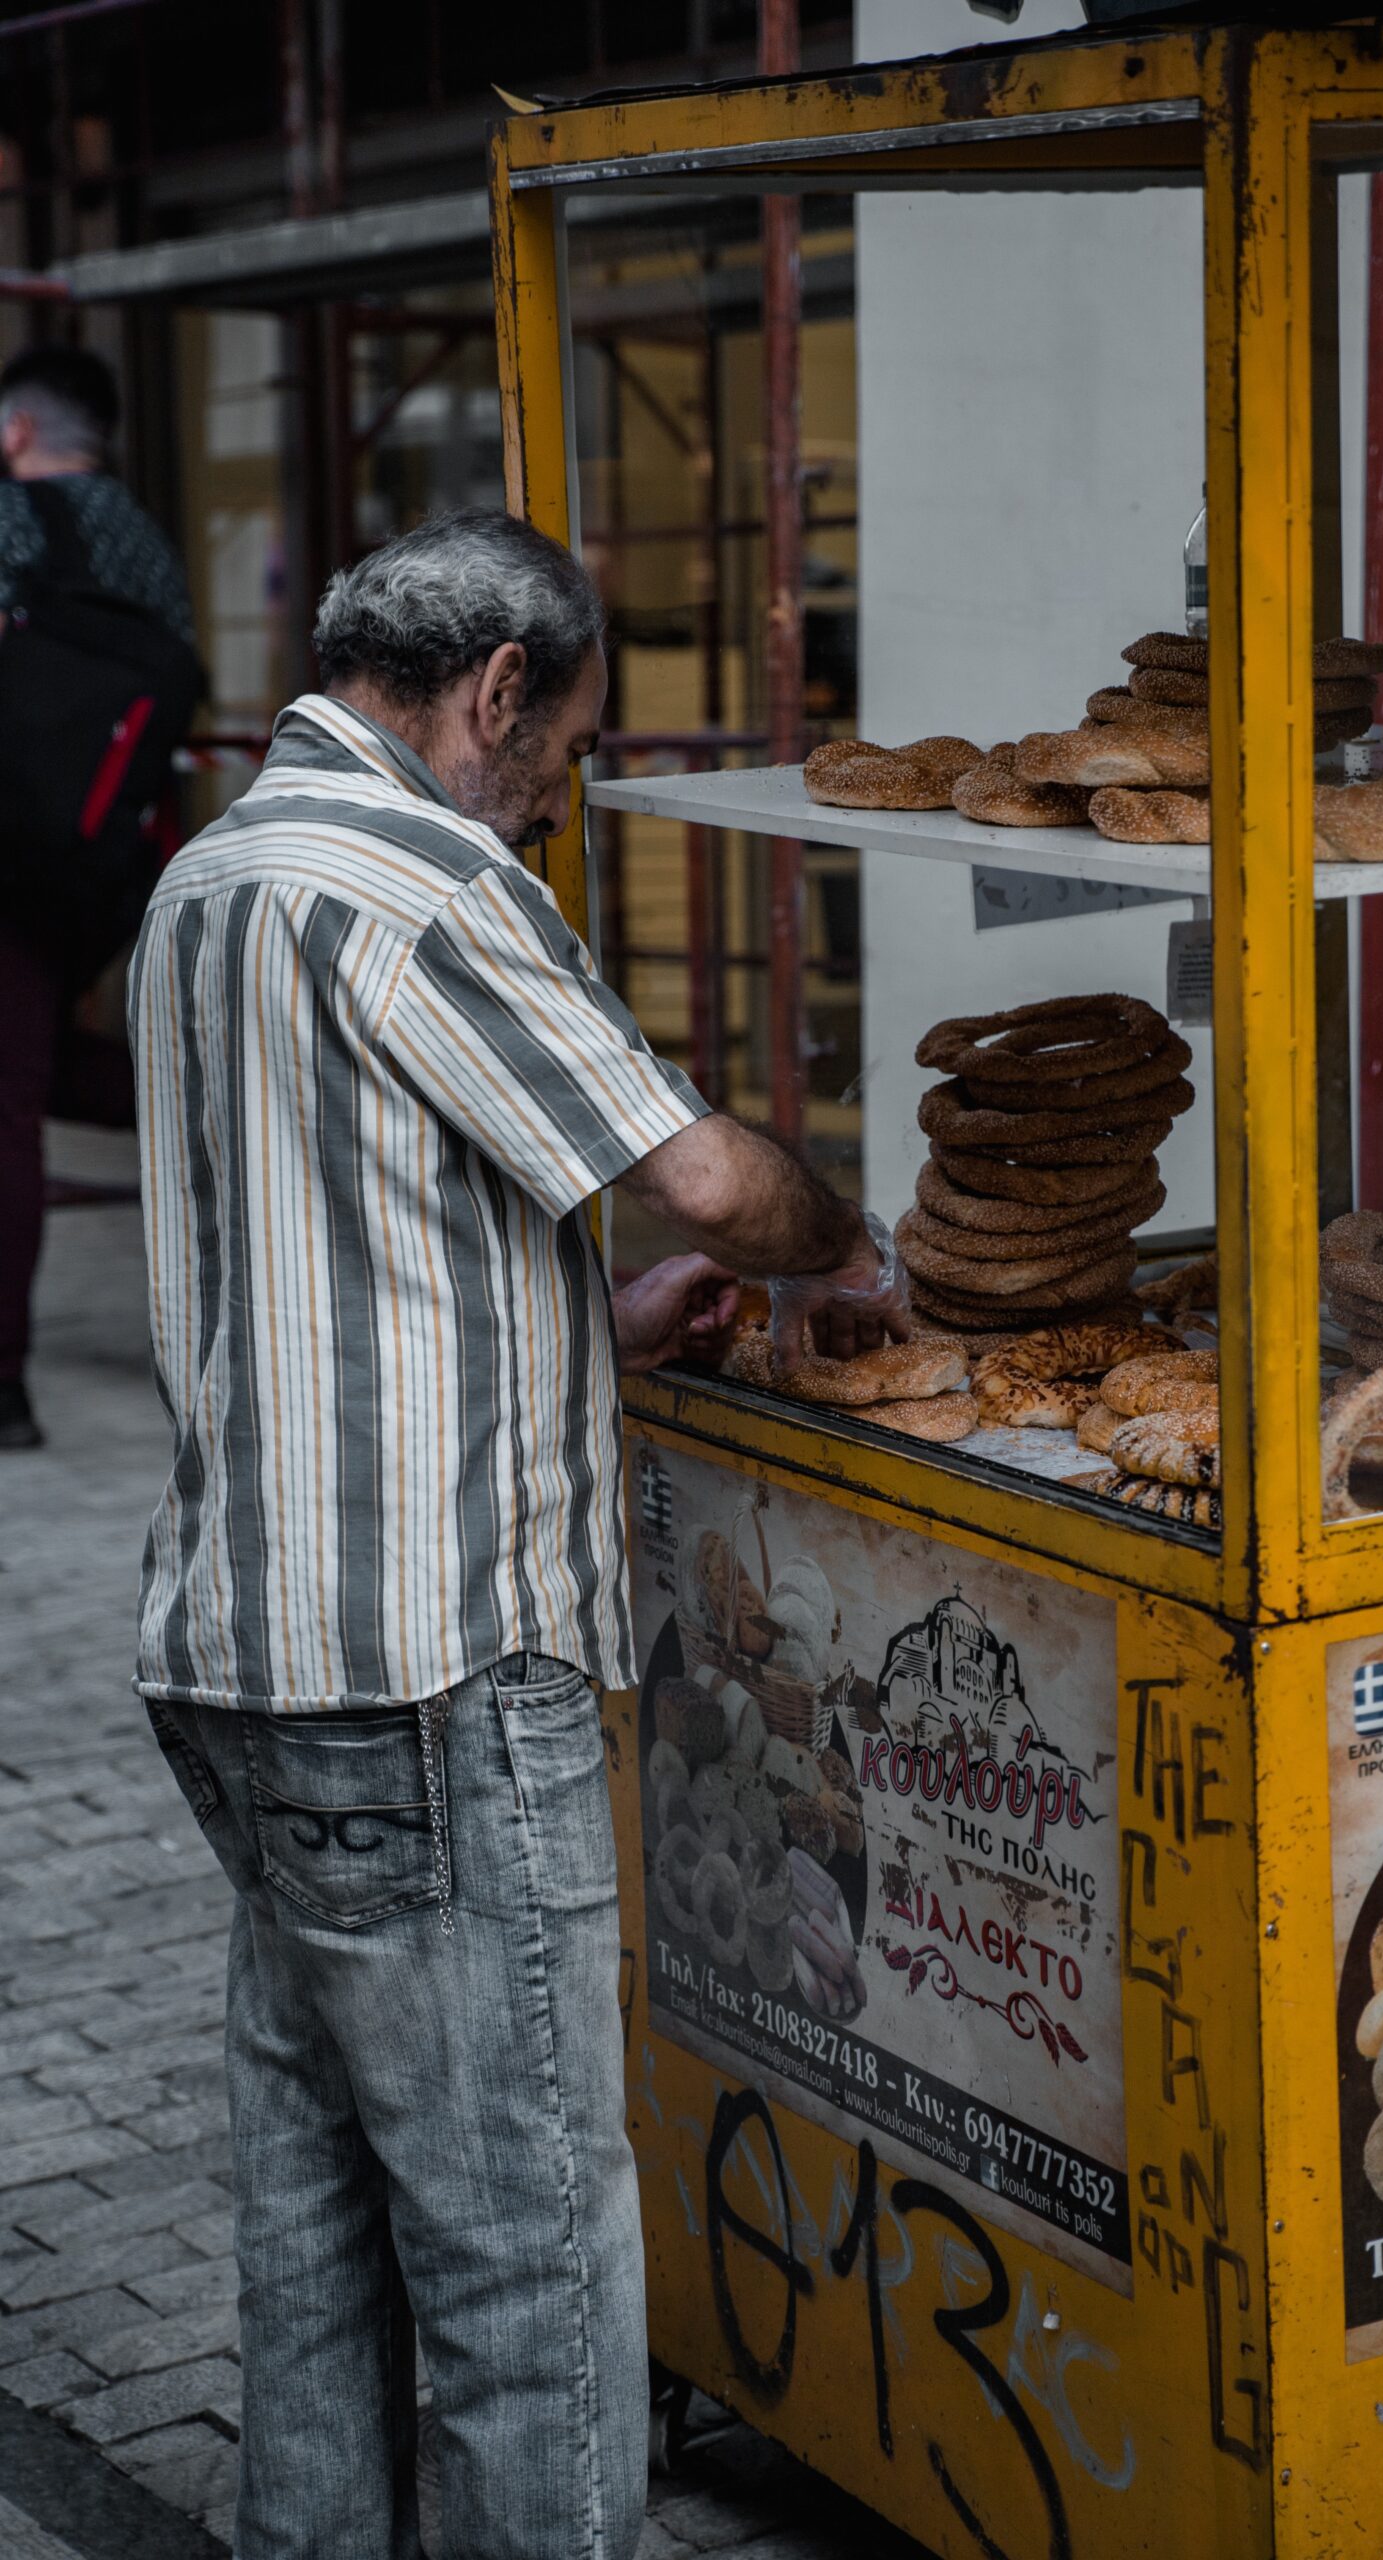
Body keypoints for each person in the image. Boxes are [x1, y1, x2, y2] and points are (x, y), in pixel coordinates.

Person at [128, 508, 902, 2560]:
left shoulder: (216, 872)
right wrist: (847, 1246)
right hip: (432, 1670)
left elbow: (341, 1220)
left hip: (252, 1652)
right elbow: (703, 1176)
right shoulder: (423, 878)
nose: (549, 793)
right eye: (556, 751)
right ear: (492, 692)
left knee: (322, 2215)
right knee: (531, 2260)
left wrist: (587, 1315)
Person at [0, 345, 196, 1451]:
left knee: (8, 1100)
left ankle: (3, 1385)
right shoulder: (145, 541)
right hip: (106, 859)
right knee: (30, 1072)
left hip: (11, 857)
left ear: (17, 432)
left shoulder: (9, 524)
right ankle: (204, 1095)